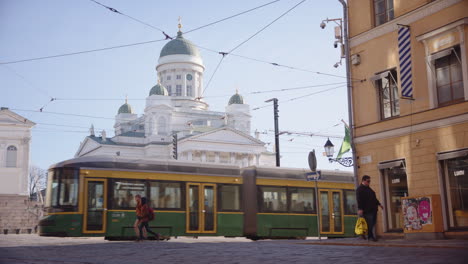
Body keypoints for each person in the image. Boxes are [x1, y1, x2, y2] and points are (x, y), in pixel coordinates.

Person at [356, 175, 384, 241]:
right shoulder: (360, 189)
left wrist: (379, 204)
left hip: (373, 209)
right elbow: (359, 199)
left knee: (372, 223)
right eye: (368, 181)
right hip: (367, 210)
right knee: (370, 223)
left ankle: (367, 235)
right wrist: (360, 209)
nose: (369, 182)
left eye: (369, 181)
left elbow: (373, 198)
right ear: (363, 181)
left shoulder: (368, 188)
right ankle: (370, 236)